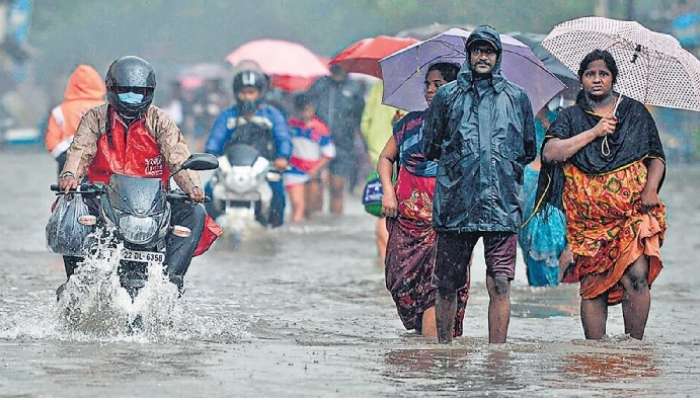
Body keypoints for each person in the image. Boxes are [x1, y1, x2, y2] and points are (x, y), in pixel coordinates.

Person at [58, 56, 220, 293]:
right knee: (70, 210)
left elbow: (178, 156)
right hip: (103, 195)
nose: (131, 98)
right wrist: (70, 176)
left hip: (153, 201)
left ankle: (172, 280)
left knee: (195, 213)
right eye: (125, 92)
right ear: (112, 91)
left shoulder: (161, 121)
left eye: (138, 92)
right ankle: (76, 282)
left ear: (149, 93)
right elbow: (80, 150)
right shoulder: (95, 118)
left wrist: (193, 188)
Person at [537, 49, 666, 340]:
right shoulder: (571, 117)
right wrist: (594, 132)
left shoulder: (634, 113)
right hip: (587, 223)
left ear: (613, 79)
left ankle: (635, 349)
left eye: (603, 74)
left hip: (632, 213)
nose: (597, 79)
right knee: (594, 286)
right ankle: (595, 355)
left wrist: (650, 189)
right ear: (581, 80)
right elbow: (550, 153)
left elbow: (656, 157)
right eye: (590, 74)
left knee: (637, 276)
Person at [422, 25, 536, 344]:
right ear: (468, 55)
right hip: (456, 203)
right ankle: (445, 351)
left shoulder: (517, 98)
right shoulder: (447, 96)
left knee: (500, 282)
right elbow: (429, 146)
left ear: (497, 56)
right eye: (477, 50)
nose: (482, 56)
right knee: (447, 283)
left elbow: (528, 148)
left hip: (501, 204)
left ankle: (496, 356)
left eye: (488, 51)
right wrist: (459, 158)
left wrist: (501, 166)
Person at [379, 62, 465, 338]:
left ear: (453, 89)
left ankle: (432, 360)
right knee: (399, 280)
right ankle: (428, 348)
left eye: (437, 85)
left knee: (435, 288)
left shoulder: (465, 127)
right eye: (427, 84)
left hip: (445, 223)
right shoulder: (409, 123)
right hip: (405, 221)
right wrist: (387, 191)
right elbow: (386, 158)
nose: (430, 90)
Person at [204, 69, 291, 227]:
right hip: (231, 169)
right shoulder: (227, 116)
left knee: (278, 192)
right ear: (236, 94)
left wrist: (283, 157)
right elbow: (215, 140)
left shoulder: (272, 115)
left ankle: (275, 228)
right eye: (243, 93)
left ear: (260, 93)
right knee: (208, 190)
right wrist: (210, 155)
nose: (247, 97)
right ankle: (209, 229)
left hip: (264, 170)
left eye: (251, 92)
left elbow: (283, 138)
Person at [518, 107, 568, 287]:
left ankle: (552, 287)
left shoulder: (563, 116)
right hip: (526, 179)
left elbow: (565, 150)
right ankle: (538, 293)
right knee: (527, 238)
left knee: (547, 235)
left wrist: (548, 123)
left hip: (551, 180)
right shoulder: (521, 115)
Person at [307, 64, 365, 215]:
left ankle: (335, 225)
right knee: (315, 184)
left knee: (337, 187)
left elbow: (360, 118)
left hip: (343, 144)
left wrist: (364, 144)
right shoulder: (320, 85)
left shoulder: (354, 88)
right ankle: (315, 225)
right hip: (317, 142)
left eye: (341, 66)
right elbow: (308, 108)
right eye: (335, 66)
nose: (338, 70)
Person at [361, 80, 405, 262]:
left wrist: (373, 147)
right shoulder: (419, 86)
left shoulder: (379, 85)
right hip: (407, 155)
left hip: (379, 152)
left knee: (384, 209)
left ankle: (382, 259)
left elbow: (364, 123)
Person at [44, 65, 105, 175]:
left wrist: (63, 157)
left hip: (67, 159)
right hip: (101, 160)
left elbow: (51, 142)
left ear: (72, 84)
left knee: (65, 190)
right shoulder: (107, 108)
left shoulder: (60, 111)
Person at [285, 93, 335, 223]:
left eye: (307, 109)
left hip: (313, 172)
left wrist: (316, 169)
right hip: (293, 170)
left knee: (310, 209)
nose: (304, 114)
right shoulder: (290, 126)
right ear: (296, 109)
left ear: (313, 109)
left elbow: (329, 154)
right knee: (297, 205)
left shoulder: (320, 128)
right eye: (301, 110)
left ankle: (305, 237)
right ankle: (294, 233)